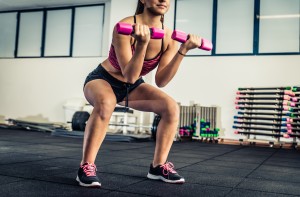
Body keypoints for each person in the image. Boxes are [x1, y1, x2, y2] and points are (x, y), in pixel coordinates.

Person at [76, 0, 201, 188]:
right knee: (106, 103)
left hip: (132, 87)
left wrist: (182, 50)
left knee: (171, 108)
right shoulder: (124, 27)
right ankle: (86, 166)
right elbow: (130, 74)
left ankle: (158, 167)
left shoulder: (169, 37)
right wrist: (142, 44)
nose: (162, 0)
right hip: (103, 79)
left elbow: (161, 81)